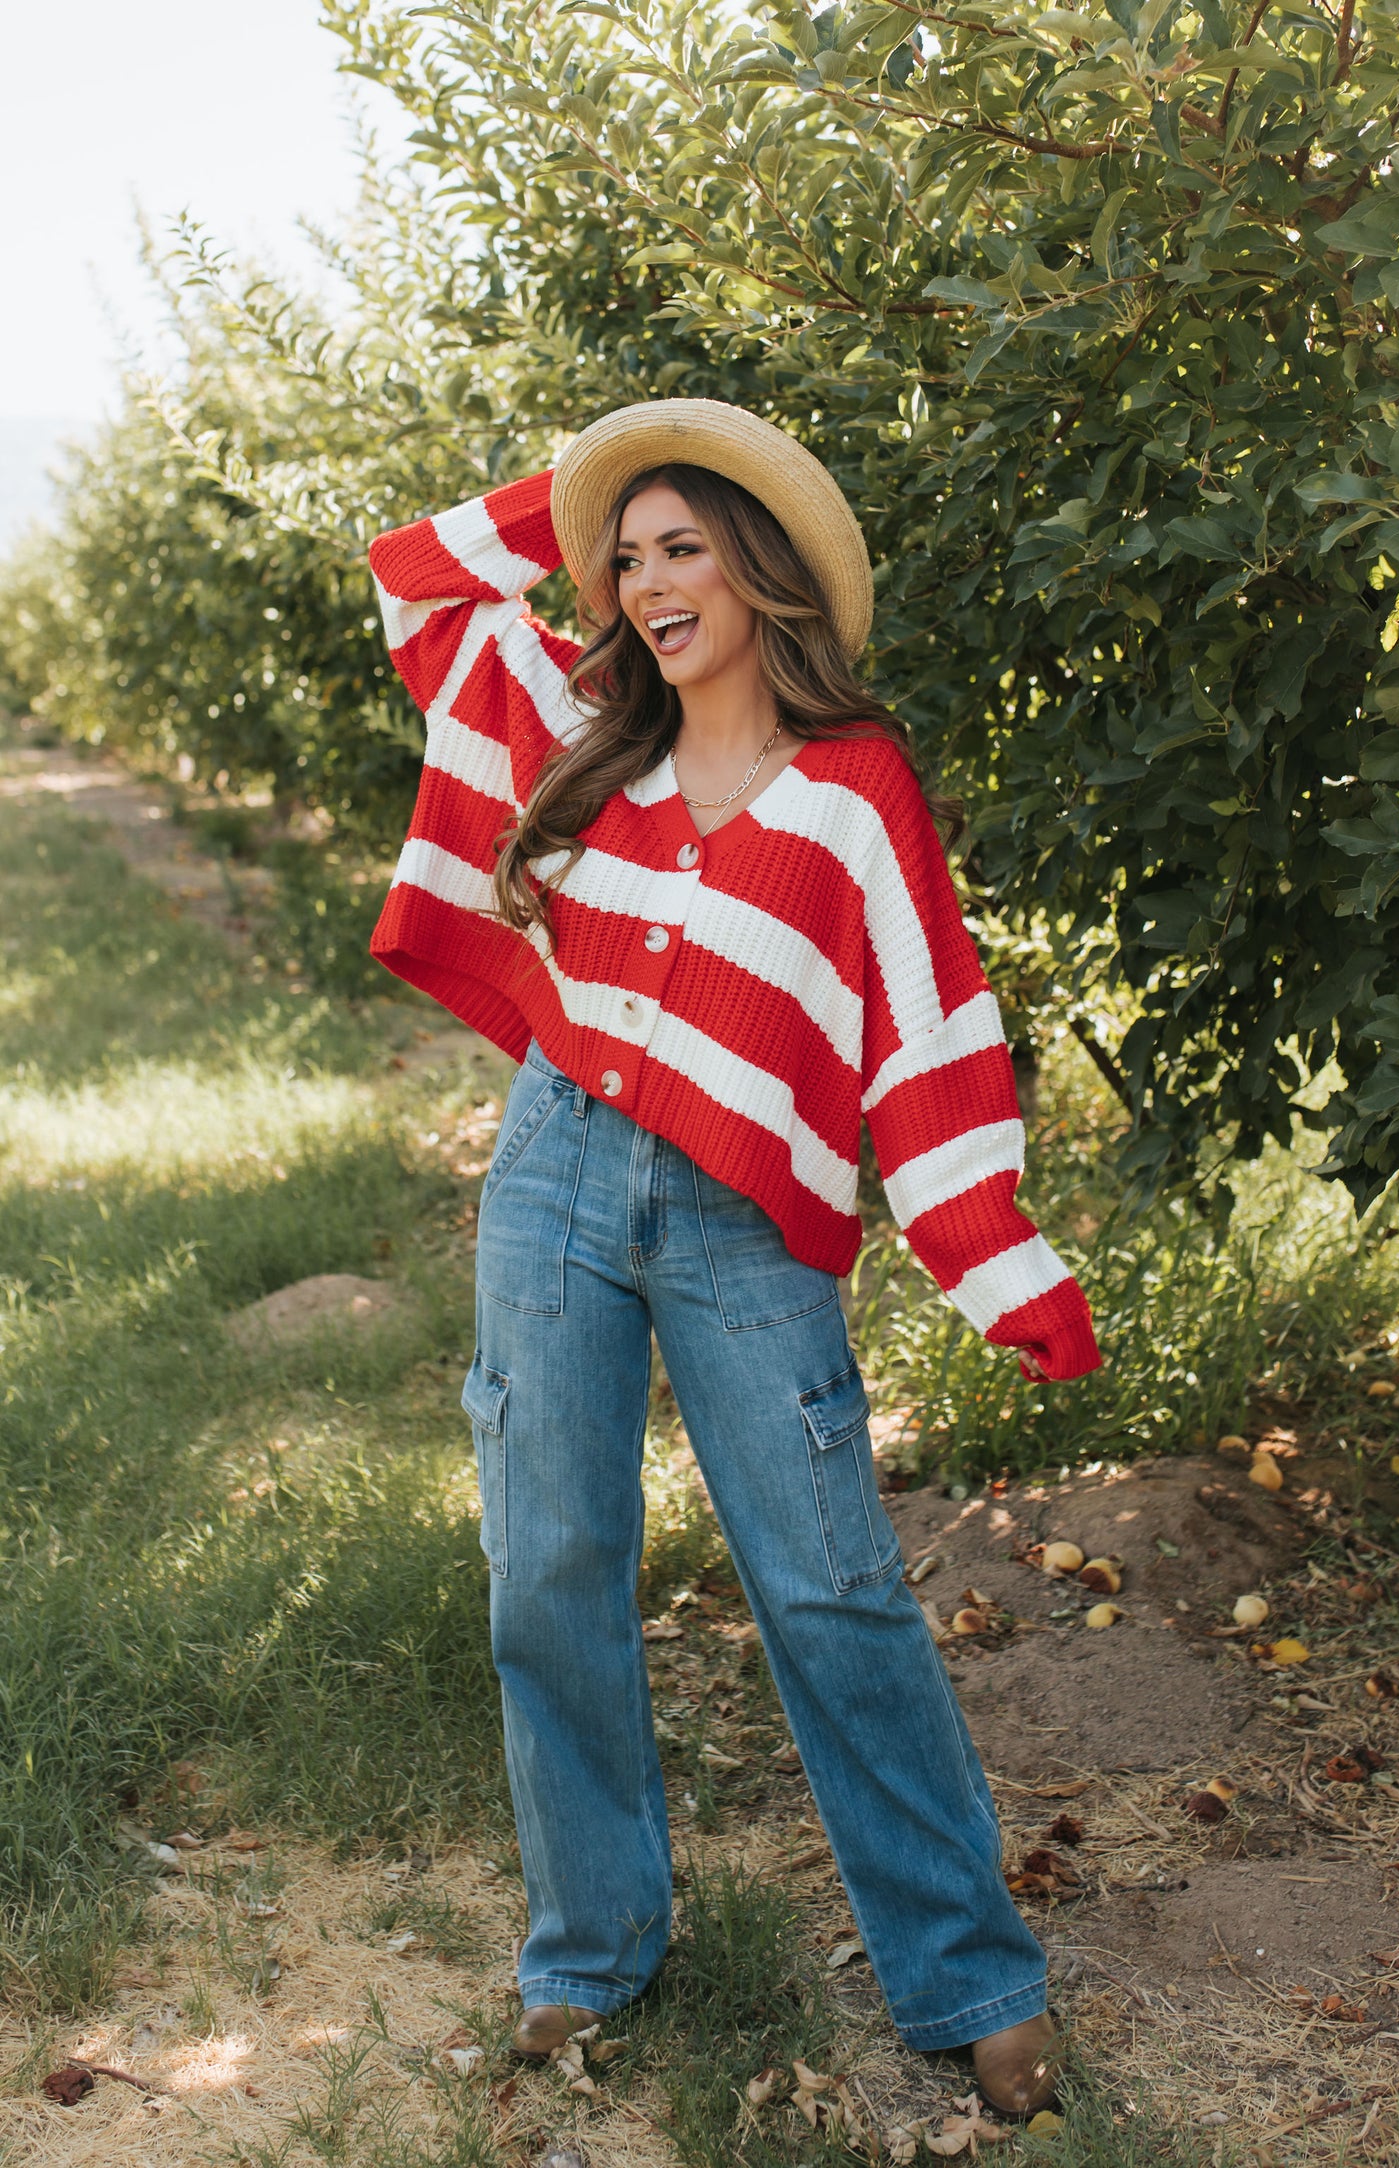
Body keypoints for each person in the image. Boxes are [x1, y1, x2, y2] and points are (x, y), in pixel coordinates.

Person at [366, 399, 1100, 2117]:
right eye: (623, 558)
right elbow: (414, 591)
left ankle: (969, 1975)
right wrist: (571, 479)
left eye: (680, 545)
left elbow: (924, 1028)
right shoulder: (584, 728)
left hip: (741, 1221)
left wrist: (995, 1256)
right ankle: (588, 1950)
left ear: (761, 572)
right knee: (548, 1567)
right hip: (551, 1173)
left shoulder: (853, 792)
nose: (642, 581)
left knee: (830, 1585)